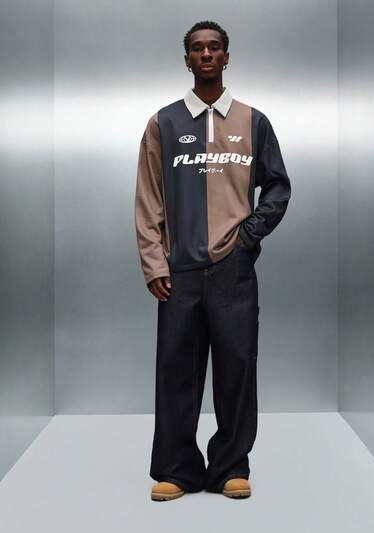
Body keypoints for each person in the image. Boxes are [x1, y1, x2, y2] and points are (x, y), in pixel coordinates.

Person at [134, 20, 291, 501]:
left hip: (232, 270)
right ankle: (177, 469)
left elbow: (277, 187)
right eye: (197, 48)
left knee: (237, 368)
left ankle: (230, 466)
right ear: (186, 59)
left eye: (214, 47)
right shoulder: (163, 123)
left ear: (227, 56)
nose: (206, 54)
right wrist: (154, 263)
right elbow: (148, 197)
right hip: (179, 270)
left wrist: (248, 238)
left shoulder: (253, 121)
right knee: (176, 372)